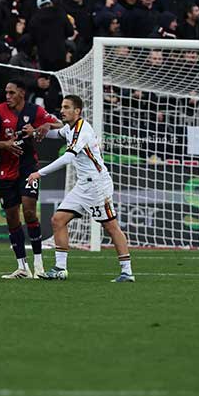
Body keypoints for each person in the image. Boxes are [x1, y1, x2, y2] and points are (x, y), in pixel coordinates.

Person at [26, 95, 135, 282]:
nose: (62, 111)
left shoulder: (82, 129)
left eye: (67, 107)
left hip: (97, 185)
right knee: (58, 220)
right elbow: (56, 134)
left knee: (111, 227)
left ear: (77, 111)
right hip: (83, 184)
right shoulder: (69, 127)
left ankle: (127, 272)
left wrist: (39, 173)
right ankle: (60, 269)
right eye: (62, 107)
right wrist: (35, 131)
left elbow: (68, 158)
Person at [0, 79, 62, 279]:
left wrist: (45, 125)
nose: (8, 96)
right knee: (12, 217)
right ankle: (22, 267)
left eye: (11, 92)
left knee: (29, 212)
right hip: (6, 171)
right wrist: (5, 144)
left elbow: (60, 124)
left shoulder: (34, 110)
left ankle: (39, 265)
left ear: (21, 93)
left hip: (28, 168)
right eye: (6, 92)